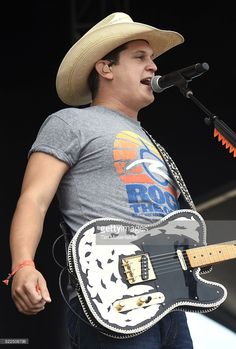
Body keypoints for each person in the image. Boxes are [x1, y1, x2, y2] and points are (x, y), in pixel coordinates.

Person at [7, 11, 196, 349]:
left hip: (171, 304)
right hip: (111, 296)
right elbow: (34, 199)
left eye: (152, 58)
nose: (153, 67)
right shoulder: (71, 123)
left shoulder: (153, 143)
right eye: (140, 57)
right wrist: (23, 264)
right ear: (105, 68)